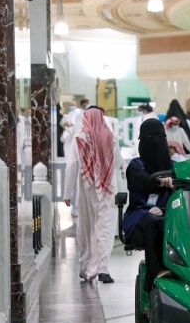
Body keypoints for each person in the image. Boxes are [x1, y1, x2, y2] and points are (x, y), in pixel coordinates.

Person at [64, 108, 123, 283]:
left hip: (87, 189)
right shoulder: (111, 137)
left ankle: (86, 269)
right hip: (107, 189)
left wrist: (67, 193)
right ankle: (103, 269)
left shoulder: (79, 139)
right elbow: (118, 163)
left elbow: (72, 166)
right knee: (105, 228)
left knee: (87, 228)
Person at [124, 119, 175, 290]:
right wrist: (161, 182)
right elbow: (142, 181)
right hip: (140, 214)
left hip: (169, 212)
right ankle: (154, 275)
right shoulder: (136, 166)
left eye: (160, 137)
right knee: (153, 222)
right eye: (150, 138)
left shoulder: (174, 167)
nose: (156, 142)